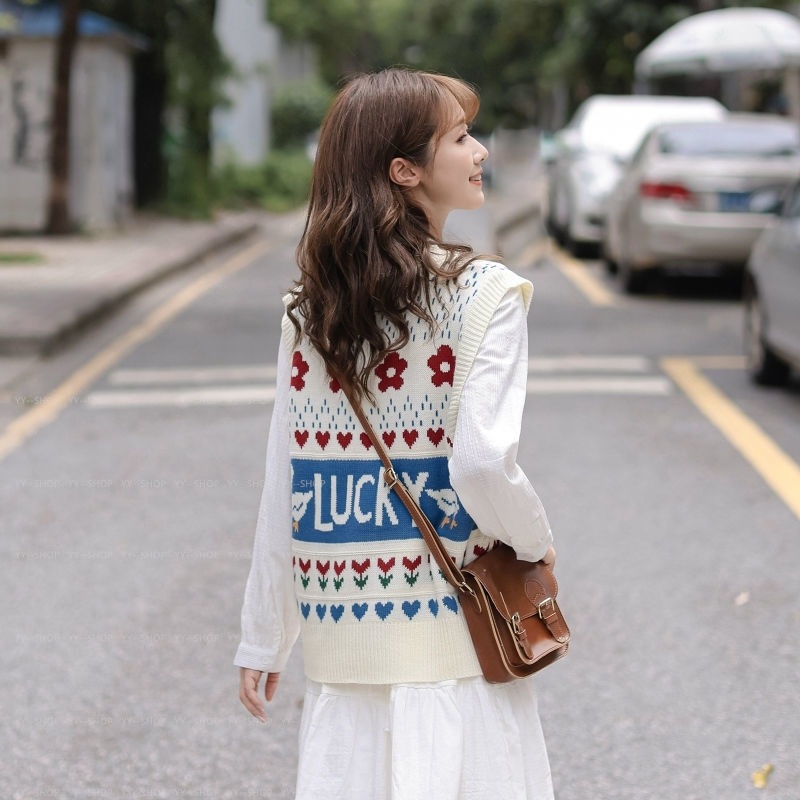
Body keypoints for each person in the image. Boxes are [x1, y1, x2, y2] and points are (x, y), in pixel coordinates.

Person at [235, 67, 557, 799]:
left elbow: (288, 484)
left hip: (344, 659)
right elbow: (482, 463)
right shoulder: (485, 298)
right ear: (405, 171)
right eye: (461, 138)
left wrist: (264, 635)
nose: (479, 151)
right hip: (457, 653)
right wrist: (534, 544)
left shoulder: (310, 312)